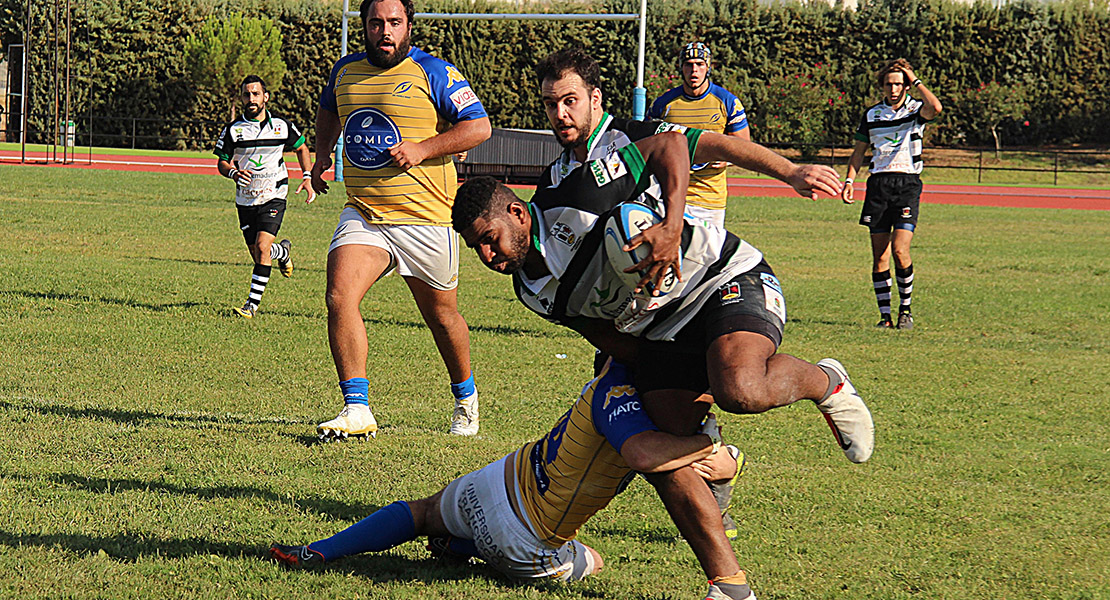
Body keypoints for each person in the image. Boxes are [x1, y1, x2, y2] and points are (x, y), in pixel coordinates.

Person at [451, 49, 873, 600]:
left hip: (720, 278)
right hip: (660, 329)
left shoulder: (620, 141)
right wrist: (623, 364)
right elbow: (596, 329)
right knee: (665, 450)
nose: (560, 114)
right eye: (551, 104)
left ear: (594, 99)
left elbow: (691, 144)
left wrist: (780, 174)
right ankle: (730, 584)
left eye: (570, 100)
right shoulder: (554, 197)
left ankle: (827, 381)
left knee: (740, 387)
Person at [271, 360, 754, 600]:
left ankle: (320, 550)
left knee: (421, 512)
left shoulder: (604, 378)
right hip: (521, 539)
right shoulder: (632, 399)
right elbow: (647, 455)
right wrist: (718, 450)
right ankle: (470, 550)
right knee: (593, 558)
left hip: (493, 481)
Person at [308, 0, 492, 439]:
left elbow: (479, 126)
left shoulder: (434, 71)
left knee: (442, 318)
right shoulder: (344, 71)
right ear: (364, 27)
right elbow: (328, 111)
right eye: (376, 23)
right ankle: (357, 409)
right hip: (365, 213)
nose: (384, 31)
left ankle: (466, 399)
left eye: (393, 23)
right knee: (339, 296)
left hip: (426, 220)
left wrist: (423, 148)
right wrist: (319, 160)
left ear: (408, 26)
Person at [842, 58, 942, 330]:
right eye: (890, 84)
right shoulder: (872, 115)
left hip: (907, 185)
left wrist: (916, 79)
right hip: (878, 186)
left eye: (899, 83)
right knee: (880, 257)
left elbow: (936, 107)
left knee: (900, 249)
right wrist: (850, 180)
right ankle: (885, 317)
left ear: (907, 85)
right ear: (882, 86)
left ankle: (905, 311)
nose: (894, 88)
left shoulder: (915, 109)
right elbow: (859, 152)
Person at [214, 75, 315, 319]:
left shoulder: (281, 126)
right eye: (247, 94)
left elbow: (301, 147)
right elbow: (222, 163)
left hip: (275, 195)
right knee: (260, 254)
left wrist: (307, 176)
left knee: (261, 247)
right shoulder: (233, 130)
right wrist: (235, 173)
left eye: (256, 94)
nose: (251, 99)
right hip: (246, 200)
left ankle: (251, 306)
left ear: (265, 97)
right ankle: (283, 252)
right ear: (242, 98)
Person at [648, 42, 750, 229]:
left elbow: (744, 145)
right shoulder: (663, 104)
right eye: (688, 64)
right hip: (669, 195)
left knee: (706, 256)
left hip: (709, 199)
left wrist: (726, 159)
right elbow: (647, 143)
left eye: (699, 64)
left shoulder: (727, 102)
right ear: (681, 67)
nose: (694, 70)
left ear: (708, 67)